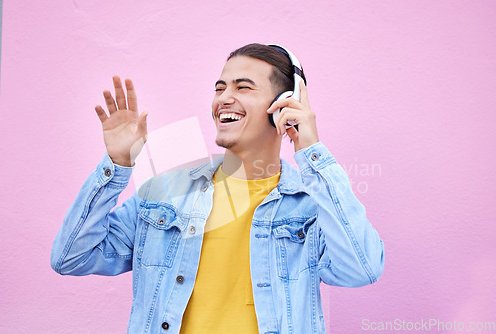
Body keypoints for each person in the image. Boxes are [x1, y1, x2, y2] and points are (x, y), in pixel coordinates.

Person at [51, 43, 385, 334]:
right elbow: (71, 257)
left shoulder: (310, 207)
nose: (224, 98)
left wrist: (311, 150)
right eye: (220, 87)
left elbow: (361, 268)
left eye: (243, 88)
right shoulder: (166, 193)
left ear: (283, 104)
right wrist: (117, 162)